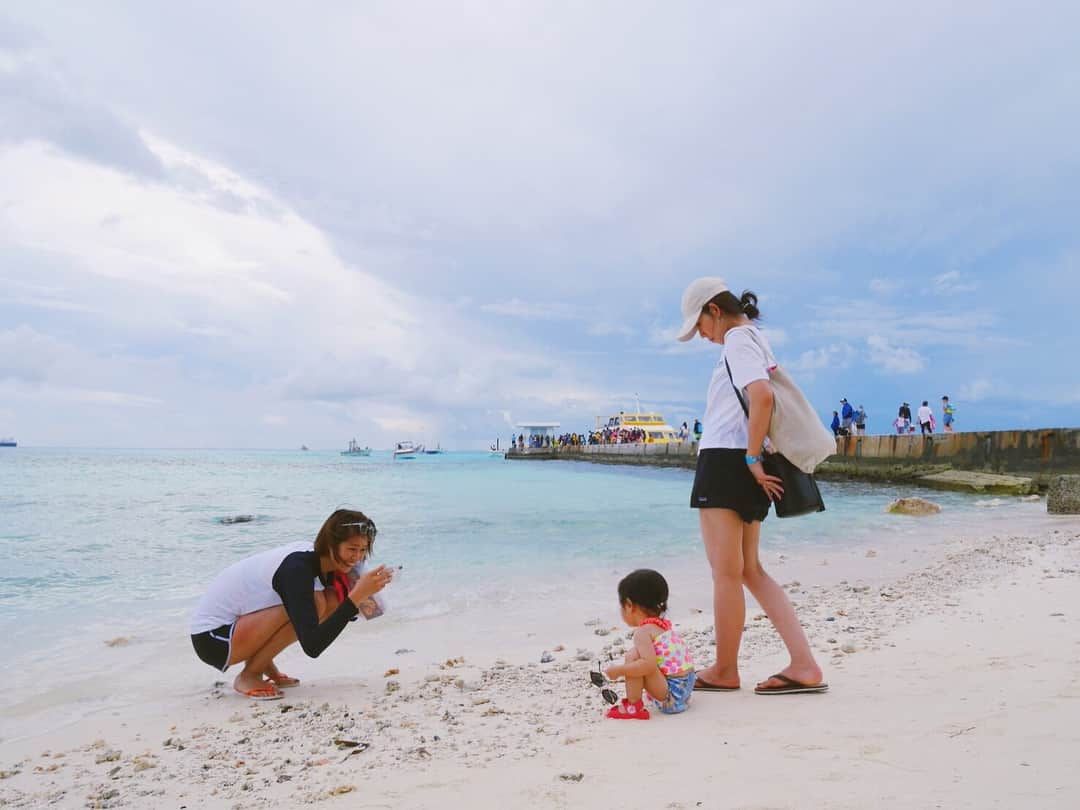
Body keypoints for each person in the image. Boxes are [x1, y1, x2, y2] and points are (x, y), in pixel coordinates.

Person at [676, 277, 826, 695]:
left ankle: (725, 669)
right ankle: (804, 664)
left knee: (726, 573)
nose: (703, 336)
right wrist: (754, 458)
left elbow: (760, 397)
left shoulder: (737, 340)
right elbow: (761, 398)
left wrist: (751, 457)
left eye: (700, 326)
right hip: (743, 463)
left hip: (728, 460)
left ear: (714, 310)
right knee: (749, 571)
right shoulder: (757, 338)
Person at [190, 509, 393, 700]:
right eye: (351, 549)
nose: (357, 557)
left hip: (240, 627)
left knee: (328, 599)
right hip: (214, 640)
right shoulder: (298, 568)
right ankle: (249, 675)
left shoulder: (319, 558)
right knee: (316, 604)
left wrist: (363, 591)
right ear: (331, 544)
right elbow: (312, 645)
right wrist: (356, 596)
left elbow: (370, 610)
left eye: (362, 550)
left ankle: (262, 666)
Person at [602, 569, 695, 719]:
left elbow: (648, 666)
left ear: (629, 605)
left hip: (672, 698)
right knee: (639, 654)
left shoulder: (642, 632)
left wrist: (620, 670)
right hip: (686, 687)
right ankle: (644, 700)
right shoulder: (662, 625)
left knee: (634, 657)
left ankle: (633, 706)